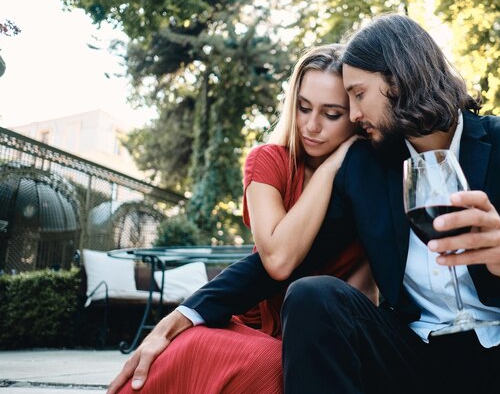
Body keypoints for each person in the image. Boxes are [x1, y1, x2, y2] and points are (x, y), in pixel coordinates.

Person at [110, 14, 500, 394]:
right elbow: (284, 263)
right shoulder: (368, 167)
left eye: (357, 94)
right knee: (314, 295)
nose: (352, 115)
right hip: (415, 361)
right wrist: (181, 316)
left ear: (397, 82)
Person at [107, 44, 376, 394]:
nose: (311, 126)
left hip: (316, 336)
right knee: (176, 367)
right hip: (244, 326)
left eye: (332, 114)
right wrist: (331, 167)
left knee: (284, 369)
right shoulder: (268, 161)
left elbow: (361, 290)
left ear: (355, 115)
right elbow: (278, 259)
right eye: (303, 107)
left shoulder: (369, 182)